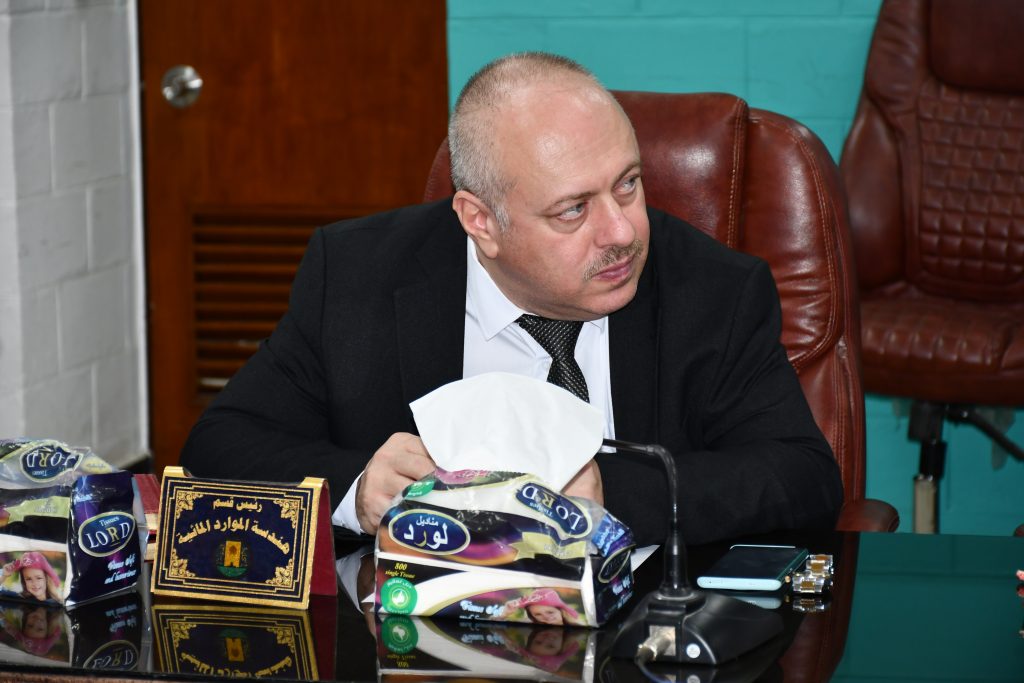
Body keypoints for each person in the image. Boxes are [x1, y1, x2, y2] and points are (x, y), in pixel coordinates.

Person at [181, 51, 843, 546]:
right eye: (573, 210)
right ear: (481, 222)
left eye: (628, 184)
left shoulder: (712, 289)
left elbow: (803, 475)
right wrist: (359, 487)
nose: (621, 232)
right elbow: (220, 445)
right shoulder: (358, 276)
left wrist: (613, 492)